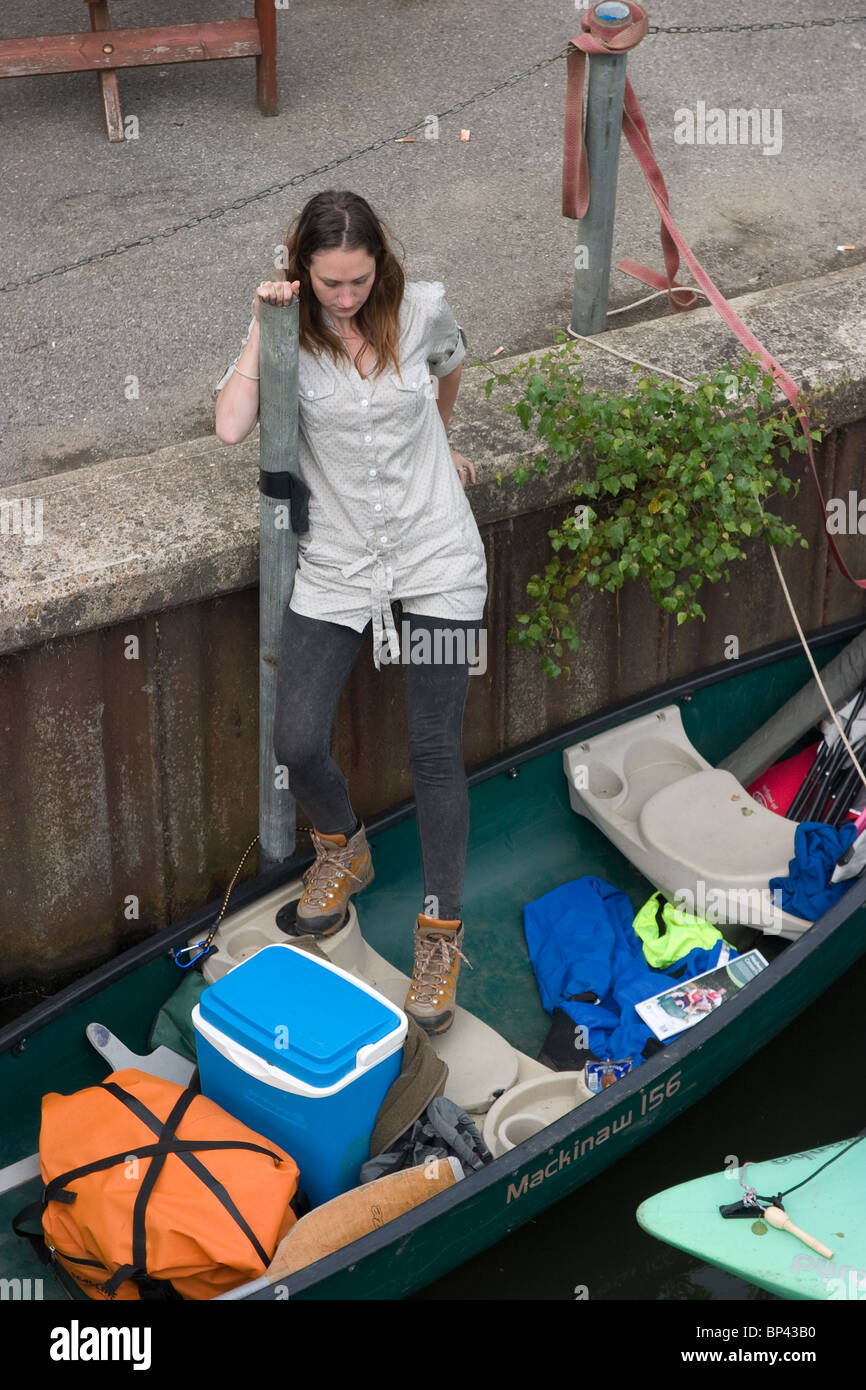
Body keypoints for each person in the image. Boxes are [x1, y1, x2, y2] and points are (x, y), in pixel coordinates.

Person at [213, 190, 488, 1034]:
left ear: (380, 265)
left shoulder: (425, 309)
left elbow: (449, 369)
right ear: (302, 270)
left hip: (435, 549)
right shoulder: (289, 330)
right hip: (336, 557)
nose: (344, 297)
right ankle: (344, 843)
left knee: (435, 749)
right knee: (295, 738)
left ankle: (440, 938)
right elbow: (230, 426)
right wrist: (264, 329)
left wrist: (439, 447)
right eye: (328, 282)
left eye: (358, 280)